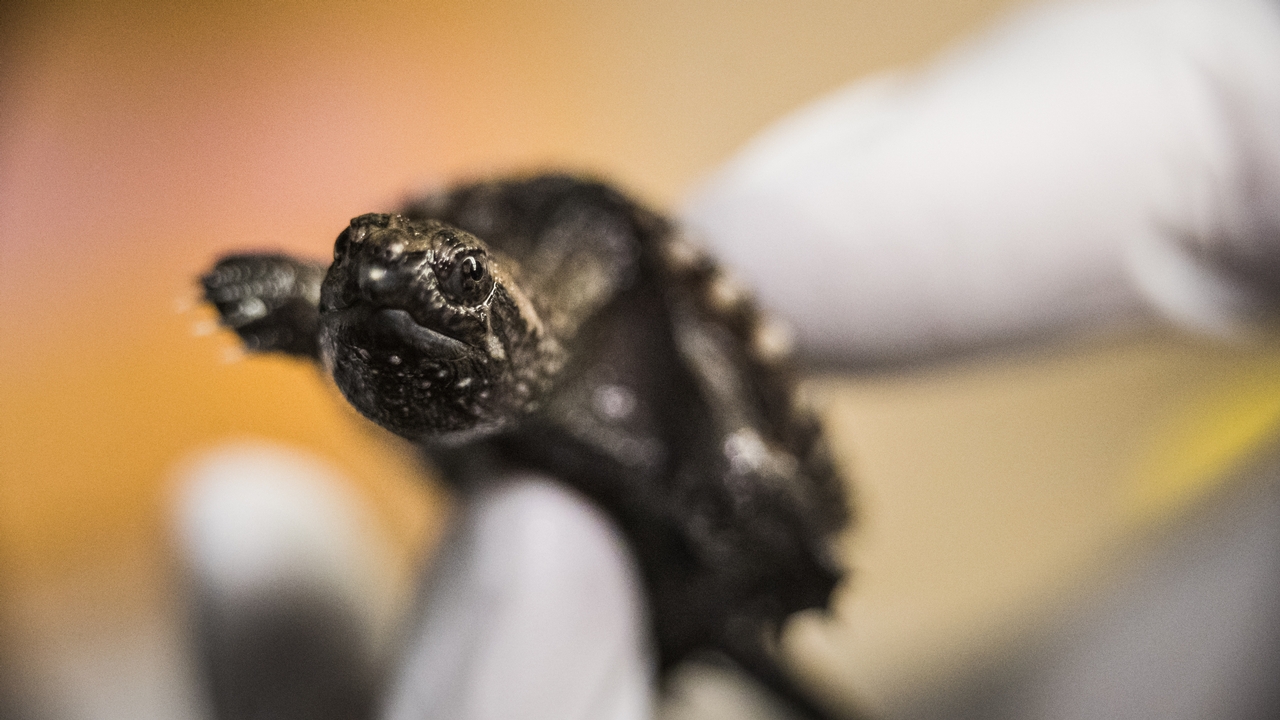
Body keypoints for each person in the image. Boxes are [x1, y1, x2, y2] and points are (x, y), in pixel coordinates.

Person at [177, 0, 1280, 717]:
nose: (399, 284)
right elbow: (369, 297)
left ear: (505, 292)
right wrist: (299, 301)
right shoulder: (387, 317)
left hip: (704, 547)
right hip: (564, 500)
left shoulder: (595, 269)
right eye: (356, 280)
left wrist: (757, 503)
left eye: (459, 285)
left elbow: (688, 365)